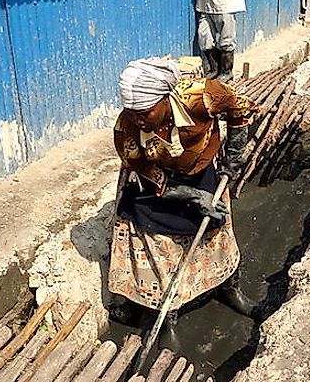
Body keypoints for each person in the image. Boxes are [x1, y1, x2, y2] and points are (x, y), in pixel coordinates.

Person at [108, 58, 257, 342]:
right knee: (158, 252)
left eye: (144, 112)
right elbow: (149, 176)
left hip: (202, 172)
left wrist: (234, 155)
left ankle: (229, 289)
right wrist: (192, 197)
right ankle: (165, 319)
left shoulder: (201, 96)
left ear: (165, 99)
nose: (138, 119)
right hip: (153, 187)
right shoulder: (126, 131)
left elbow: (241, 108)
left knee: (215, 234)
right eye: (131, 111)